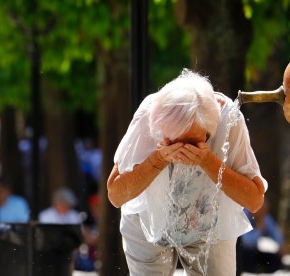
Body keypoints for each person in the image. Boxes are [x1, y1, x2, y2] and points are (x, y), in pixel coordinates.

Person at [107, 69, 267, 275]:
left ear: (210, 129)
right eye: (172, 141)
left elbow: (254, 200)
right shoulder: (149, 115)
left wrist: (208, 161)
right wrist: (158, 159)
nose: (182, 150)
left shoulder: (228, 120)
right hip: (147, 222)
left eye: (191, 142)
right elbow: (116, 194)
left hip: (209, 223)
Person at [239, 200, 284, 273]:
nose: (264, 213)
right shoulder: (244, 216)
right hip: (244, 252)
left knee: (276, 260)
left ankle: (263, 270)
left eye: (265, 211)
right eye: (262, 211)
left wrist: (280, 246)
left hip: (256, 251)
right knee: (249, 255)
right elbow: (246, 242)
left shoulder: (265, 218)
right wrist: (259, 229)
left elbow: (277, 236)